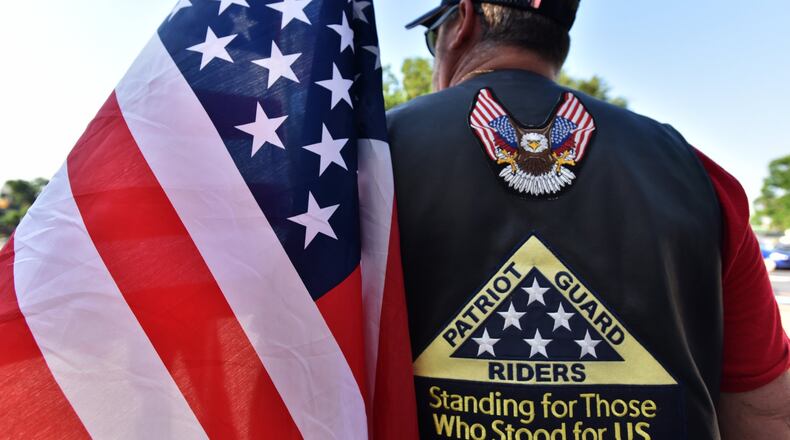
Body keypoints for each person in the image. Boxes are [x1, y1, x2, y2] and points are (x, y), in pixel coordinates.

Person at [386, 0, 790, 438]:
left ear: (462, 23)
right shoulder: (699, 177)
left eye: (432, 39)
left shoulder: (363, 167)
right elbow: (764, 412)